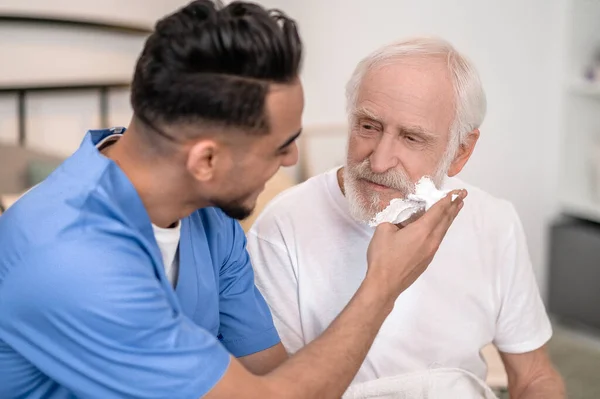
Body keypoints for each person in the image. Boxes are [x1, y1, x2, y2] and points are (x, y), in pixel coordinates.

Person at [0, 3, 467, 399]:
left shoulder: (209, 219)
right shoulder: (69, 259)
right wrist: (383, 284)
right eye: (280, 145)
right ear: (206, 160)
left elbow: (271, 374)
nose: (293, 159)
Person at [247, 37, 566, 398]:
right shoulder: (282, 227)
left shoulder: (494, 221)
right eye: (368, 126)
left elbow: (535, 376)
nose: (379, 161)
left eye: (411, 138)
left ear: (460, 151)